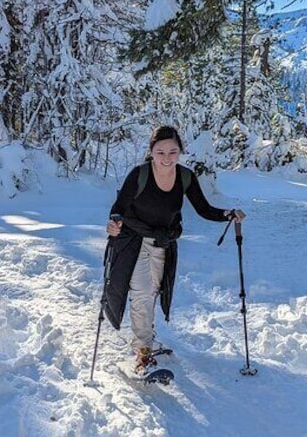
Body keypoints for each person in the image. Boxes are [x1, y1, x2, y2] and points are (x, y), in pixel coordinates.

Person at [103, 125, 245, 372]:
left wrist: (227, 214)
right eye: (160, 152)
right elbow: (118, 208)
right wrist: (113, 223)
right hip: (133, 241)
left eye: (172, 152)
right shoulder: (139, 175)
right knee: (142, 291)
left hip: (163, 242)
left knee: (154, 290)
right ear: (151, 152)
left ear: (180, 151)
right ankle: (143, 352)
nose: (166, 158)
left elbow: (203, 209)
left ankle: (146, 338)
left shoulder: (185, 177)